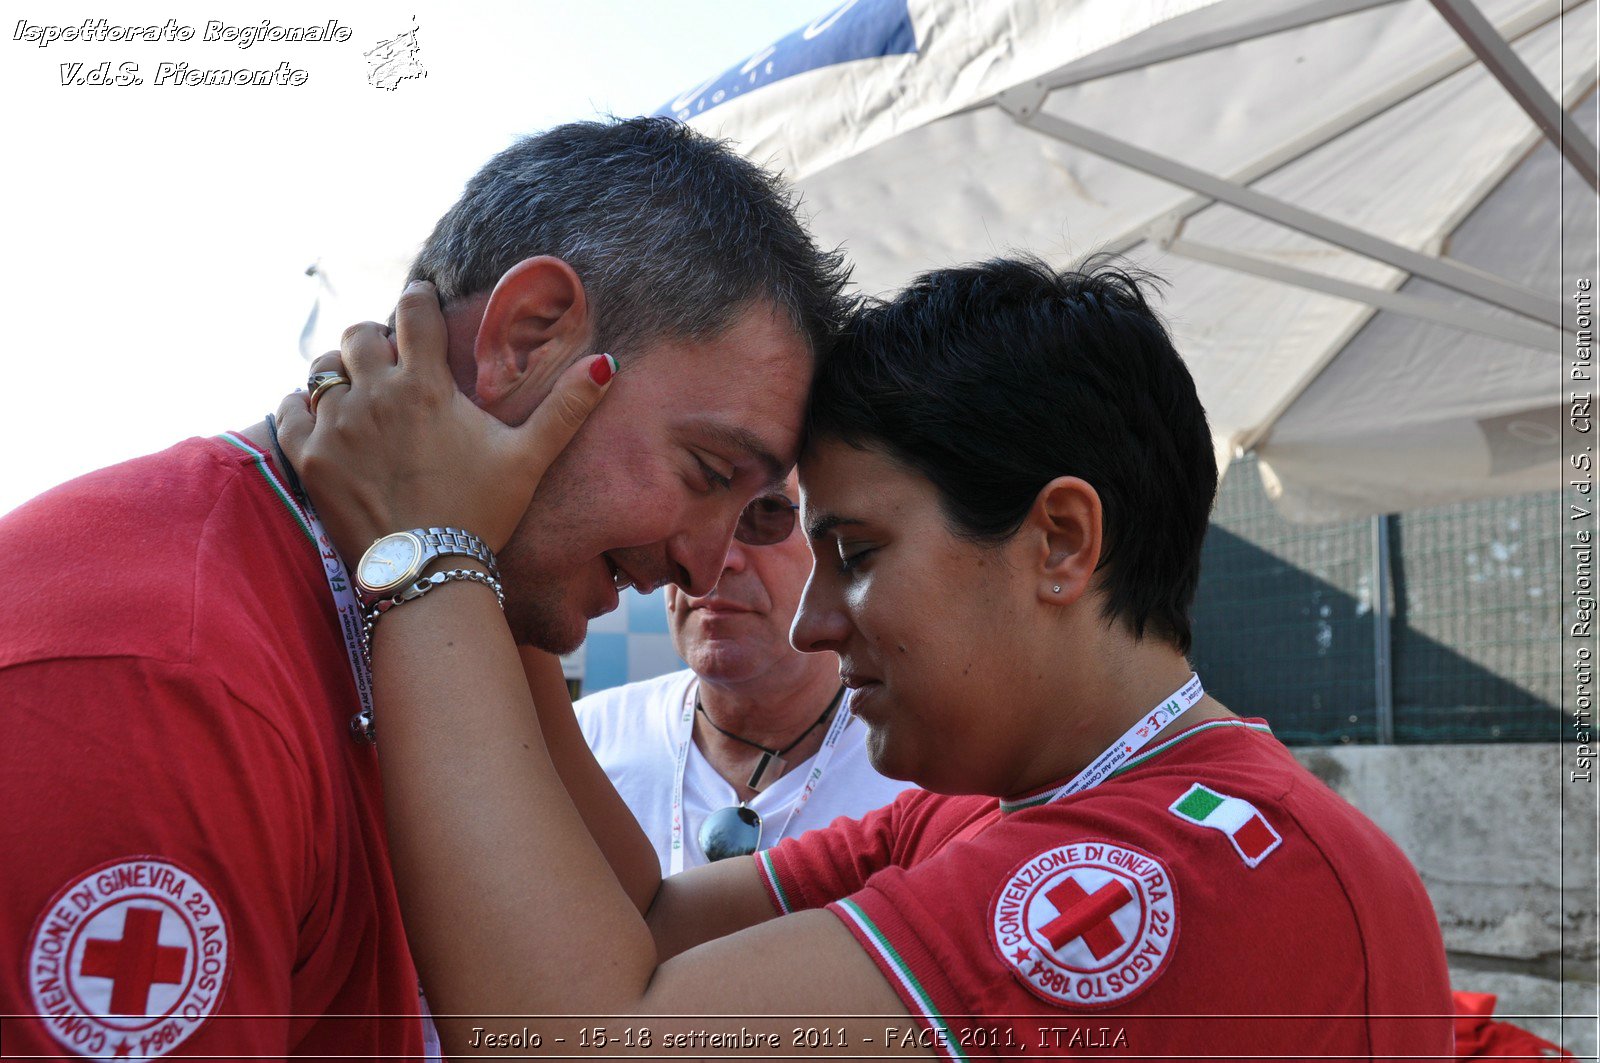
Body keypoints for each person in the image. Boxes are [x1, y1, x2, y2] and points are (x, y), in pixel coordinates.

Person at [274, 257, 1455, 1058]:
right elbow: (639, 914)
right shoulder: (994, 816)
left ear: (1057, 541)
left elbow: (587, 1036)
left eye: (854, 550)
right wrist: (521, 560)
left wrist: (430, 550)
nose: (812, 622)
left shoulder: (1174, 875)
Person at [0, 116, 848, 1061]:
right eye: (705, 470)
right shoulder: (159, 673)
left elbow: (626, 931)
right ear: (527, 340)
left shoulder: (463, 605)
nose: (700, 565)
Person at [575, 470, 915, 873]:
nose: (714, 562)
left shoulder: (919, 774)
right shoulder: (583, 745)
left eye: (766, 513)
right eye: (683, 516)